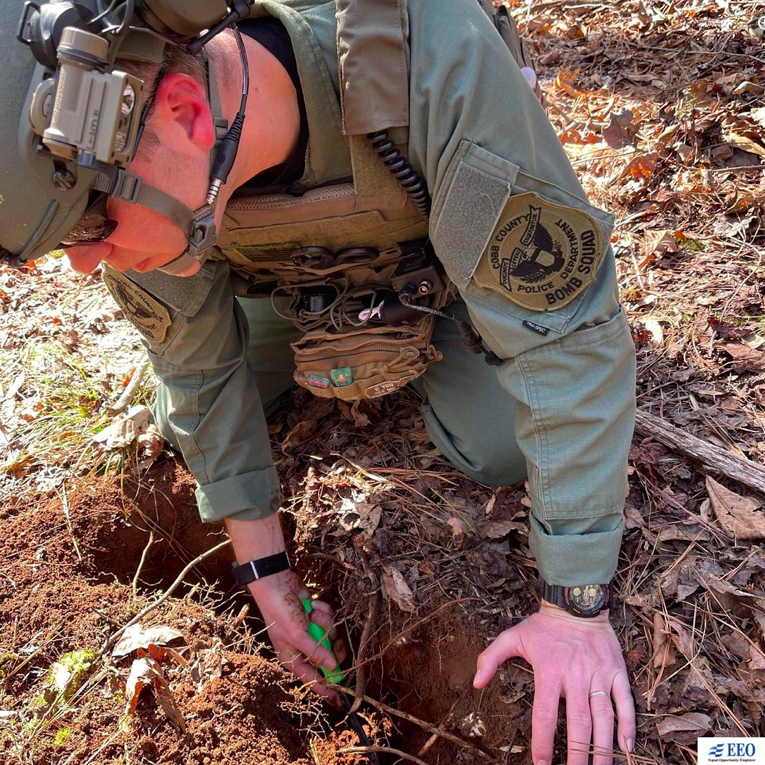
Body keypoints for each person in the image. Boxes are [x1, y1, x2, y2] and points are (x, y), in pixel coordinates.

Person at [0, 1, 637, 763]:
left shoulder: (427, 53)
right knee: (187, 422)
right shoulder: (145, 163)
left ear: (185, 112)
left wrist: (574, 605)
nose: (82, 260)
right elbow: (196, 365)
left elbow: (566, 336)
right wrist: (265, 570)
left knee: (500, 443)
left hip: (441, 267)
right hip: (285, 284)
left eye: (88, 225)